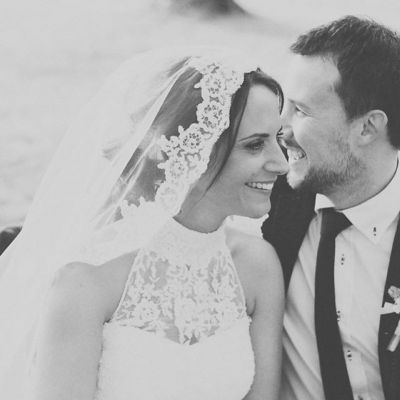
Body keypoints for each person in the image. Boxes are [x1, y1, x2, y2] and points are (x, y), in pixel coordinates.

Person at [0, 48, 288, 399]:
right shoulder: (87, 279)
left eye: (279, 139)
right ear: (192, 152)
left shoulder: (258, 267)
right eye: (255, 145)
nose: (281, 164)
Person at [262, 16, 400, 400]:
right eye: (284, 107)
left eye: (300, 111)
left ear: (367, 128)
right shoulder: (265, 198)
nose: (280, 129)